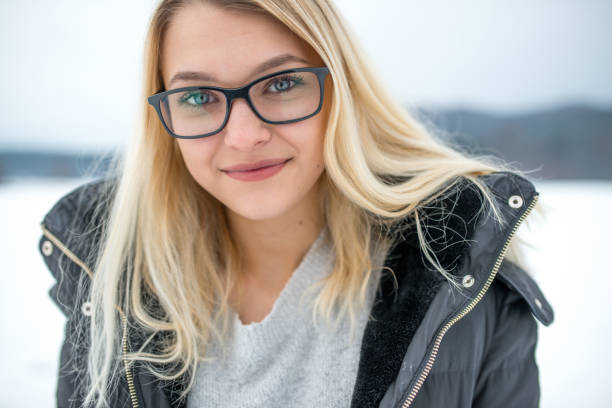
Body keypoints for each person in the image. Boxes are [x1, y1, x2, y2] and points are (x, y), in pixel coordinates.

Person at [38, 0, 554, 407]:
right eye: (198, 97)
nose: (243, 136)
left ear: (341, 92)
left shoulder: (467, 287)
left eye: (282, 84)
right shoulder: (106, 284)